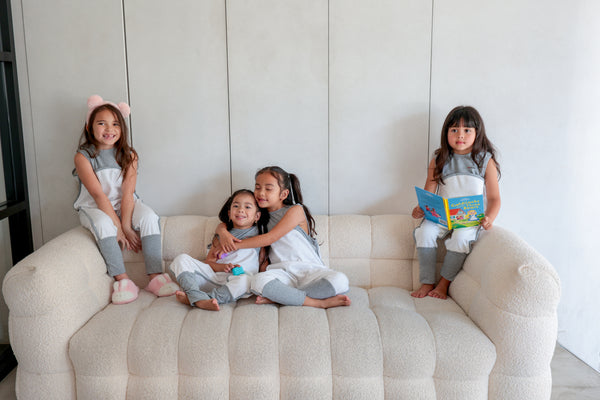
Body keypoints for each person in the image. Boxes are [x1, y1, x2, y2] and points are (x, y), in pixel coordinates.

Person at [73, 95, 178, 304]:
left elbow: (128, 194)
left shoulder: (129, 155)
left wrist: (127, 225)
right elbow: (98, 195)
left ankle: (155, 277)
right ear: (89, 127)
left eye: (115, 124)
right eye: (101, 123)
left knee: (149, 217)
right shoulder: (83, 157)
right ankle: (122, 281)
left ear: (122, 129)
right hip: (94, 206)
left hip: (125, 204)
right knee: (104, 225)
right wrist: (118, 228)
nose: (109, 129)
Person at [216, 166, 351, 309]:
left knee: (340, 281)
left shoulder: (296, 210)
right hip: (282, 274)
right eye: (257, 187)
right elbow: (226, 222)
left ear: (283, 194)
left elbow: (270, 238)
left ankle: (283, 297)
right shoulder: (258, 216)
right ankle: (312, 301)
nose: (261, 193)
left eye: (268, 189)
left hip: (309, 271)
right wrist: (223, 232)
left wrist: (233, 245)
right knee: (258, 281)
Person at [411, 106, 501, 299]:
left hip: (469, 218)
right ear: (446, 133)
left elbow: (494, 198)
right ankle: (427, 282)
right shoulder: (439, 158)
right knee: (424, 232)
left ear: (477, 133)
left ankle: (443, 285)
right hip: (441, 216)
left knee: (460, 239)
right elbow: (429, 193)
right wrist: (420, 208)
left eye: (467, 130)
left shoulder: (485, 161)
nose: (460, 135)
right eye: (454, 130)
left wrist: (489, 218)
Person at [170, 189, 268, 311]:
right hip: (214, 279)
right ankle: (196, 296)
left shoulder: (260, 237)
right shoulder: (221, 236)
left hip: (238, 281)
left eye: (247, 207)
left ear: (257, 216)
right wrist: (223, 267)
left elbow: (263, 264)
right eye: (236, 206)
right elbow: (208, 263)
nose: (241, 210)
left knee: (247, 280)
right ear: (229, 213)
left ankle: (199, 299)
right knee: (181, 259)